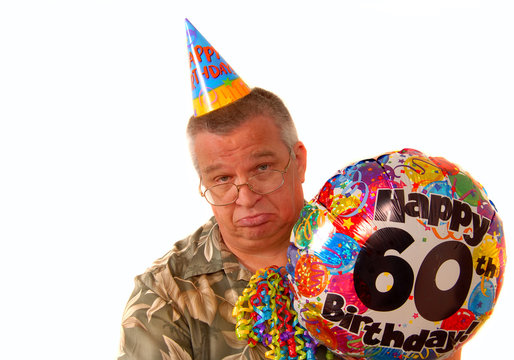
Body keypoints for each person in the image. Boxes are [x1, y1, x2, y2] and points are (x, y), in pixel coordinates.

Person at [117, 87, 309, 359]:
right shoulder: (166, 293)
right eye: (222, 179)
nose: (246, 197)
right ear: (203, 183)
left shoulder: (371, 240)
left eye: (262, 168)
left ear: (298, 161)